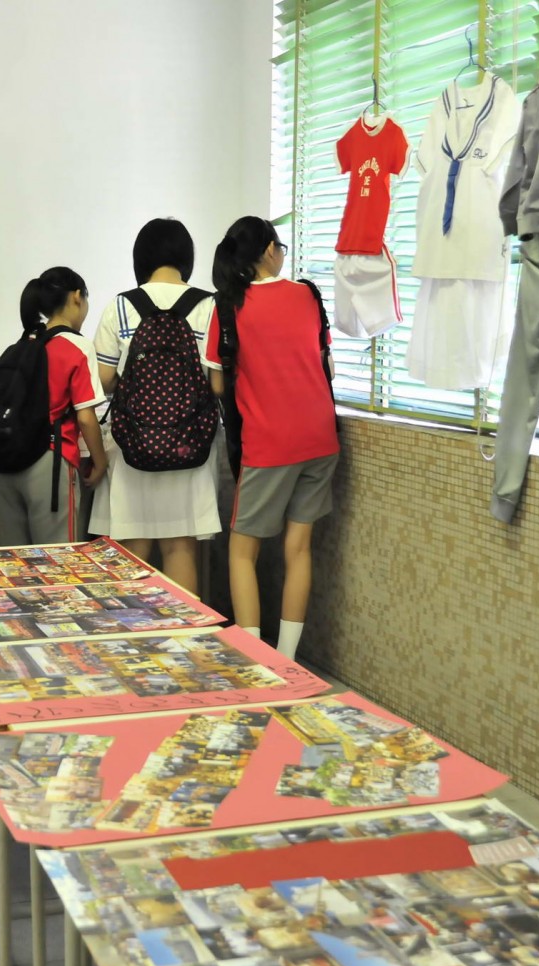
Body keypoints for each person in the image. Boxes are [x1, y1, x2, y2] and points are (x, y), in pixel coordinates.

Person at [204, 217, 339, 660]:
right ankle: (287, 659)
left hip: (269, 444)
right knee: (298, 548)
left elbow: (218, 383)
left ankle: (255, 660)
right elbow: (327, 364)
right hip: (320, 439)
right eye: (280, 246)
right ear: (267, 250)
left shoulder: (228, 307)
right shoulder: (308, 294)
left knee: (243, 552)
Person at [90, 218, 220, 593]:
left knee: (134, 550)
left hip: (134, 444)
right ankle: (186, 628)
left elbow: (103, 379)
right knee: (180, 547)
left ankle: (137, 627)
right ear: (186, 257)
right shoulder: (209, 306)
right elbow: (217, 379)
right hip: (190, 444)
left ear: (141, 257)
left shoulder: (121, 307)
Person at [0, 267, 108, 544]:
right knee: (58, 561)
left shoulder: (24, 344)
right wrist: (100, 461)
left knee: (17, 561)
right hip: (49, 463)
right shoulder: (77, 346)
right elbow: (86, 418)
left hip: (6, 462)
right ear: (77, 297)